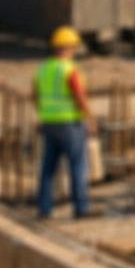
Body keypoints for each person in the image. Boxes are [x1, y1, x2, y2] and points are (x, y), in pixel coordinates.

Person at [35, 26, 91, 220]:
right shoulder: (69, 69)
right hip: (70, 123)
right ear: (69, 47)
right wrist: (88, 117)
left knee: (48, 168)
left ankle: (44, 208)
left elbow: (36, 95)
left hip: (49, 123)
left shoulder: (43, 69)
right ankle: (81, 208)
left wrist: (43, 115)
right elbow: (79, 94)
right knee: (77, 165)